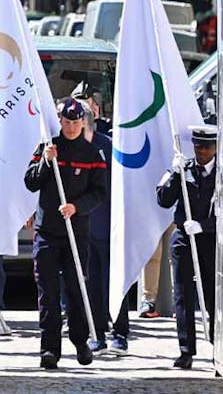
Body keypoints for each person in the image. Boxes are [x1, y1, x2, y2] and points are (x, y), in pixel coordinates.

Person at [24, 98, 105, 370]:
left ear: (83, 122)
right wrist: (47, 162)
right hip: (47, 231)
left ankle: (81, 341)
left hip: (76, 232)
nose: (70, 127)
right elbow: (31, 182)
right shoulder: (48, 147)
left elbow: (99, 193)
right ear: (60, 121)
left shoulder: (92, 154)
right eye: (66, 122)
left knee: (76, 289)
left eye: (75, 122)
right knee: (47, 293)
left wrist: (77, 207)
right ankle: (49, 349)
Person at [155, 124, 218, 370]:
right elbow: (162, 200)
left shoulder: (222, 173)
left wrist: (204, 225)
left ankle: (217, 343)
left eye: (207, 147)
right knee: (183, 295)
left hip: (209, 238)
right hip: (183, 237)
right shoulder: (184, 169)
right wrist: (174, 175)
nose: (202, 152)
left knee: (213, 294)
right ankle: (185, 350)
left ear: (215, 147)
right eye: (198, 147)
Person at [80, 100, 130, 356]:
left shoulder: (107, 146)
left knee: (114, 281)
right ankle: (96, 333)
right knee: (91, 283)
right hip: (81, 227)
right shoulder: (67, 146)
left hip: (107, 223)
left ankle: (120, 333)